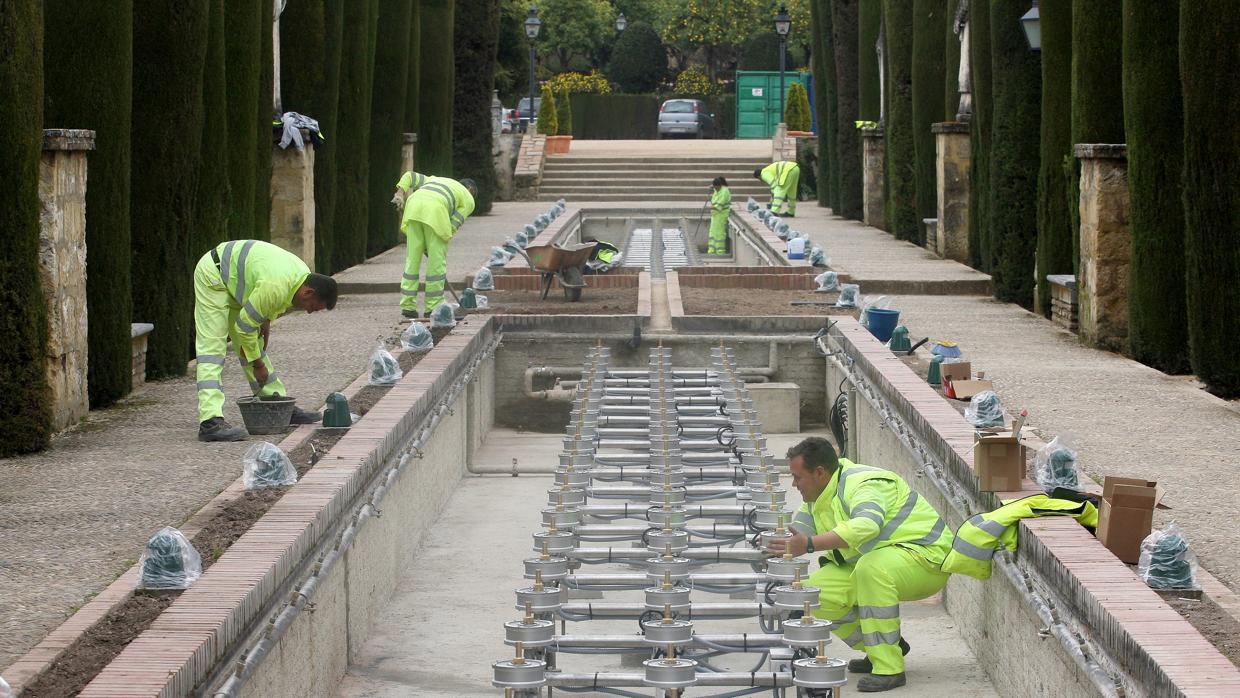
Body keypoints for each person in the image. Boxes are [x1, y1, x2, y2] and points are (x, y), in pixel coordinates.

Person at [768, 437, 953, 692]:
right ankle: (884, 646)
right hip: (881, 560)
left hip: (926, 558)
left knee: (871, 569)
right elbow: (798, 532)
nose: (794, 484)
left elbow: (867, 524)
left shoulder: (862, 484)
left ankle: (889, 668)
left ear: (819, 472)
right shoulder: (818, 497)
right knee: (809, 595)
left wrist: (809, 544)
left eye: (797, 477)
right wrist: (773, 546)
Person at [193, 240, 337, 442]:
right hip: (213, 276)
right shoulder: (277, 285)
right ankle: (210, 422)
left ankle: (277, 406)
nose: (309, 311)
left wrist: (265, 320)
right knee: (212, 351)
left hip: (234, 281)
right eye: (312, 307)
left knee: (254, 343)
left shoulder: (301, 276)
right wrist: (257, 363)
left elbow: (261, 307)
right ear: (308, 292)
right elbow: (244, 326)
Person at [391, 171, 477, 319]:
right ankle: (433, 307)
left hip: (413, 206)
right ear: (471, 191)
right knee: (436, 265)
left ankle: (408, 307)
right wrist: (436, 245)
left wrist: (400, 192)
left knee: (412, 261)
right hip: (436, 211)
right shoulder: (469, 199)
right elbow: (452, 225)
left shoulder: (435, 179)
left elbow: (409, 176)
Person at [707, 176, 731, 255]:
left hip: (722, 214)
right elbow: (716, 191)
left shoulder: (725, 192)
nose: (715, 189)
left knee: (719, 233)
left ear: (719, 186)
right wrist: (713, 187)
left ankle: (720, 251)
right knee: (712, 232)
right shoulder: (718, 189)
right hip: (715, 215)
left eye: (716, 187)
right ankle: (712, 250)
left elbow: (719, 205)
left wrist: (712, 207)